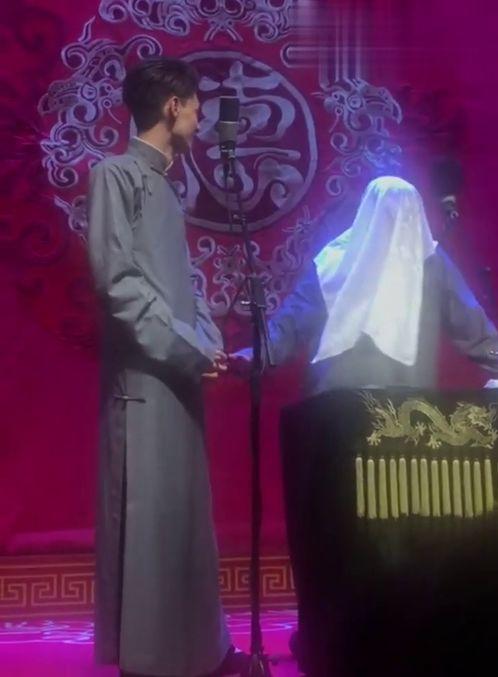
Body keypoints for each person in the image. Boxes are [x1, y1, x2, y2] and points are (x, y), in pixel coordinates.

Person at [87, 57, 245, 677]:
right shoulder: (115, 175)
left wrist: (207, 341)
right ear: (172, 106)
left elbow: (183, 284)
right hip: (145, 382)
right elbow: (119, 283)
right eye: (196, 106)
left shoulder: (166, 187)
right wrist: (187, 348)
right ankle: (150, 662)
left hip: (178, 373)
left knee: (184, 523)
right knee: (150, 523)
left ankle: (202, 654)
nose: (202, 118)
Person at [232, 175, 498, 389]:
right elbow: (289, 326)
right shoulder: (334, 261)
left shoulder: (429, 261)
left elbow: (473, 327)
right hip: (335, 398)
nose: (397, 222)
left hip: (407, 404)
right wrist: (254, 355)